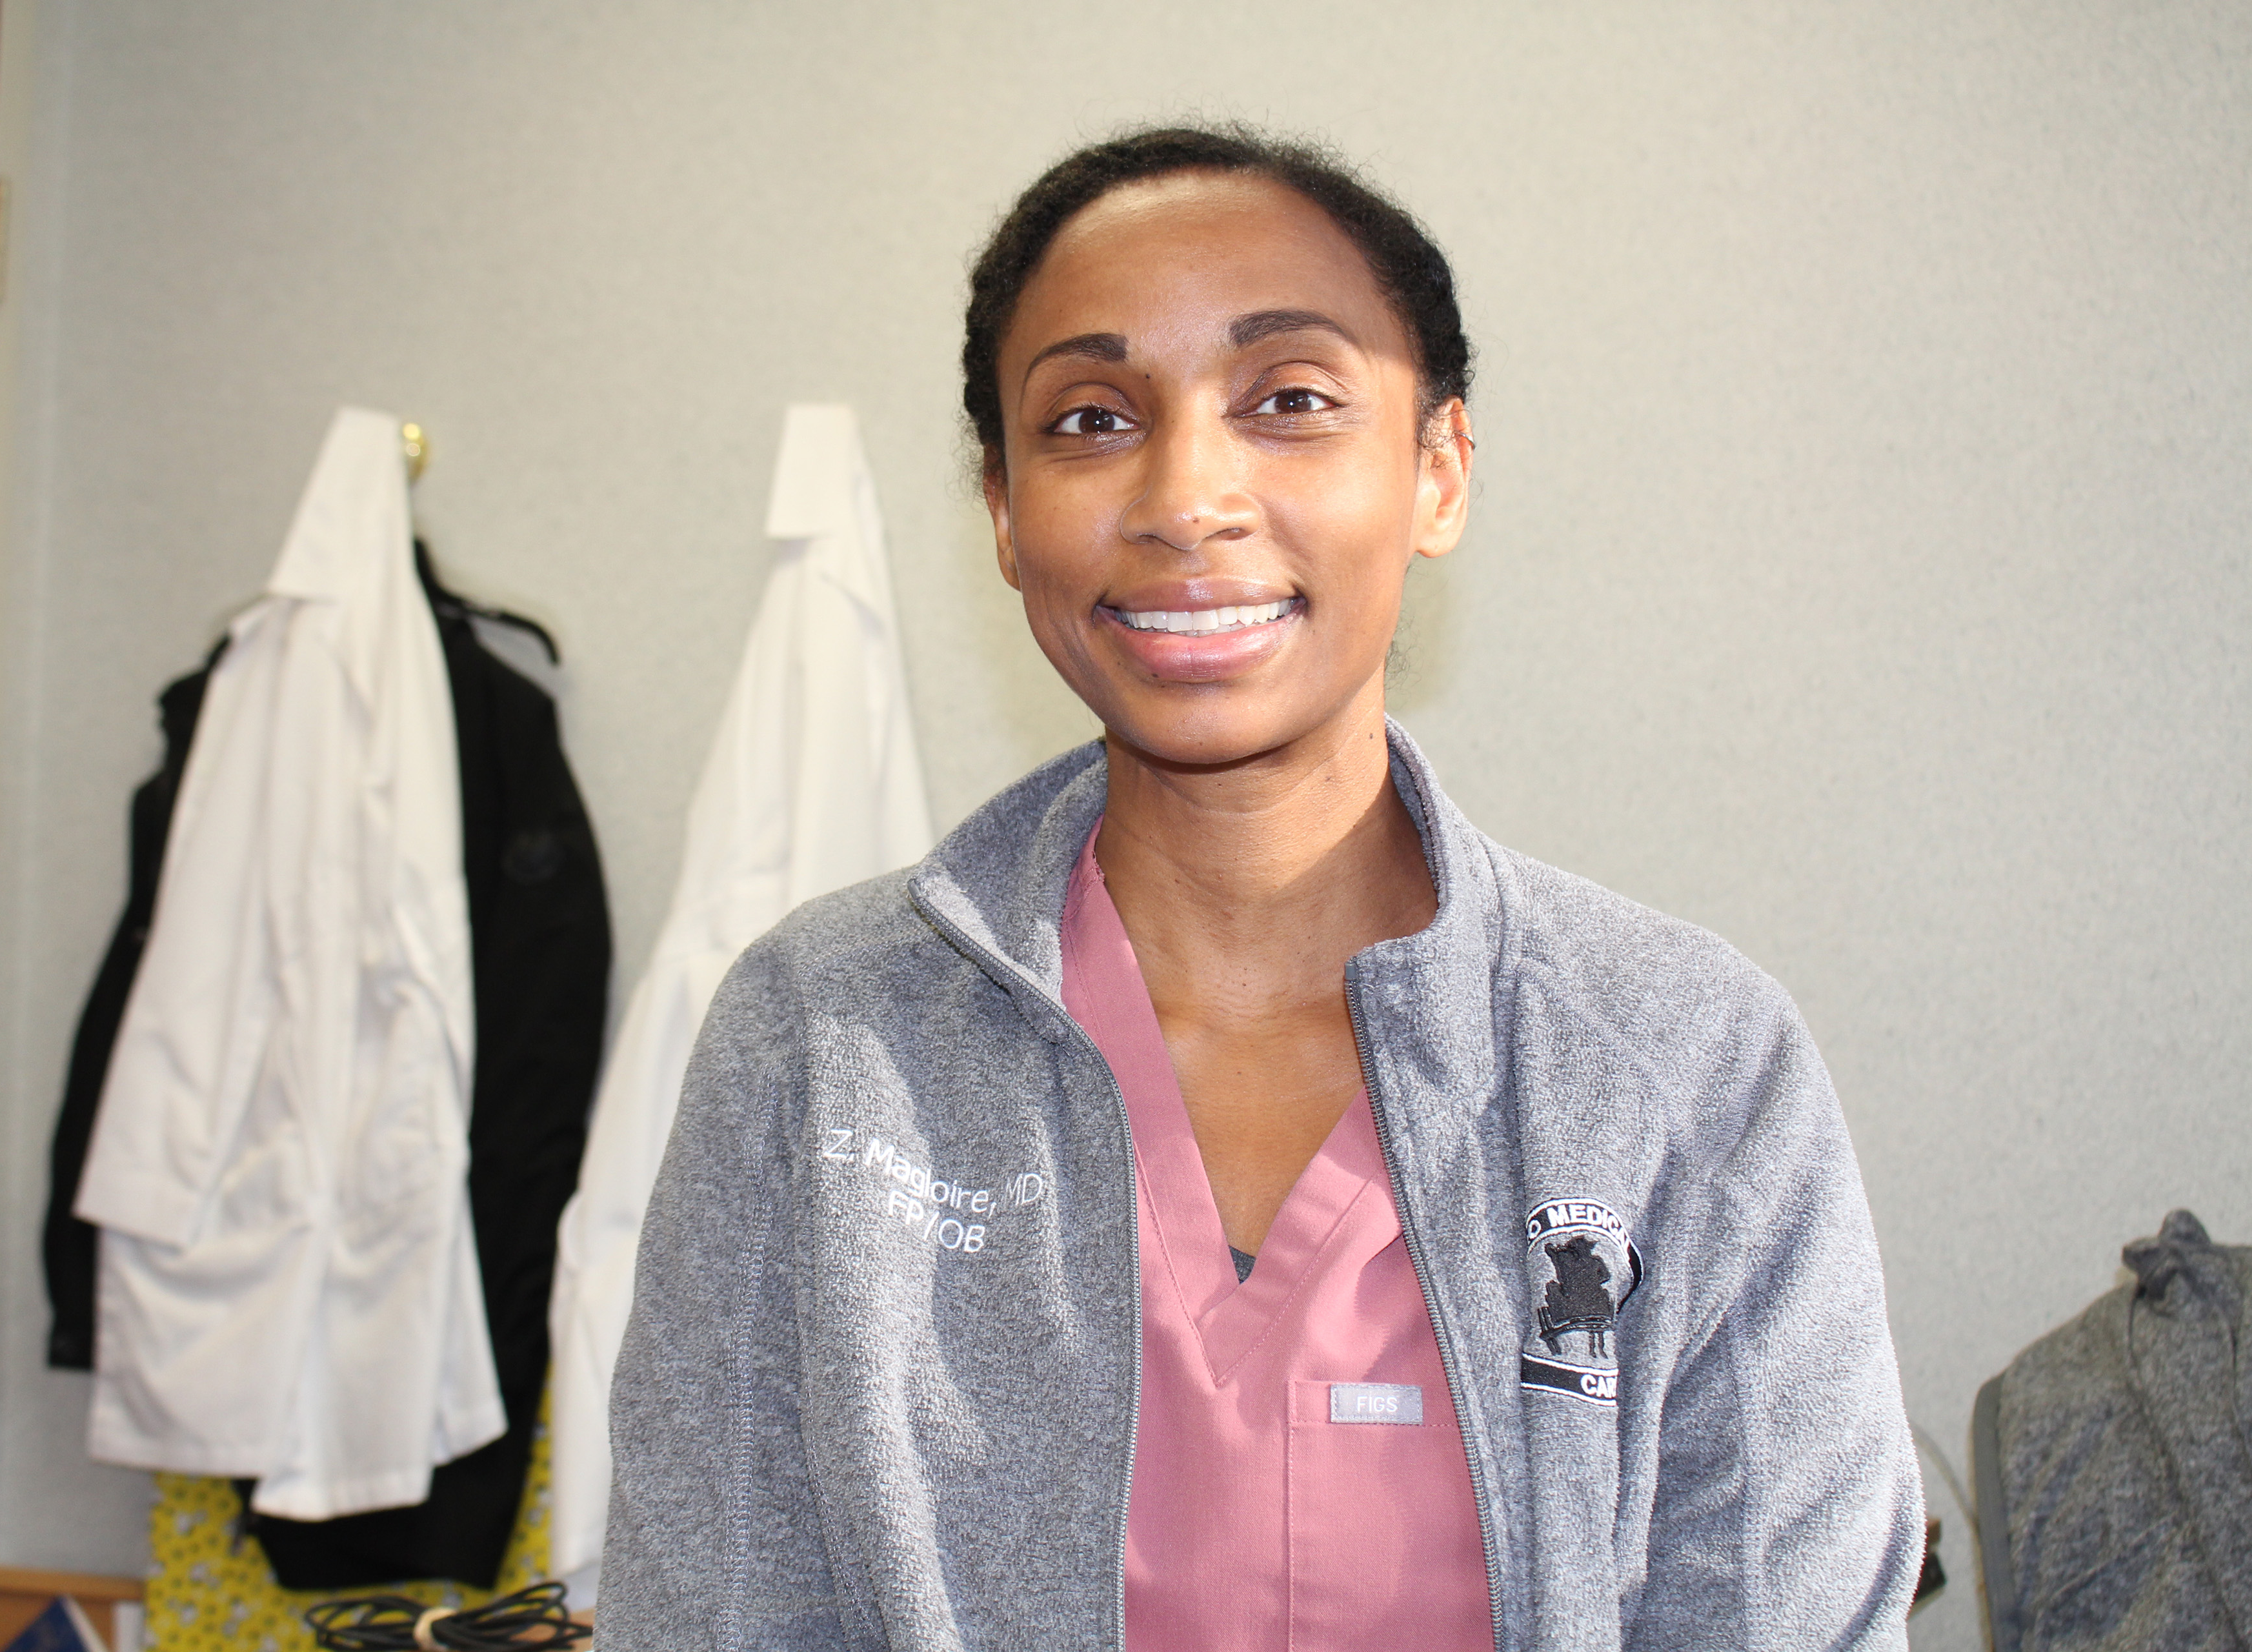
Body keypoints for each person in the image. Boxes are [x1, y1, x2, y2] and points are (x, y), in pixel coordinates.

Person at [599, 125, 1925, 1650]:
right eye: (1092, 419)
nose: (1186, 495)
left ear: (1438, 471)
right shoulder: (825, 1041)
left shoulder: (1689, 1063)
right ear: (1005, 511)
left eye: (1289, 400)